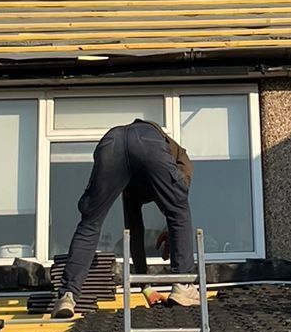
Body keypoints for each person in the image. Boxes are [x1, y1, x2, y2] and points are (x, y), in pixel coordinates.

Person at [50, 117, 198, 319]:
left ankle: (67, 295)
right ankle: (183, 285)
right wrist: (173, 229)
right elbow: (178, 200)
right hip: (148, 143)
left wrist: (145, 288)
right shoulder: (179, 154)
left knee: (90, 222)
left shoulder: (130, 189)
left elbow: (134, 235)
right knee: (180, 209)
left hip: (111, 143)